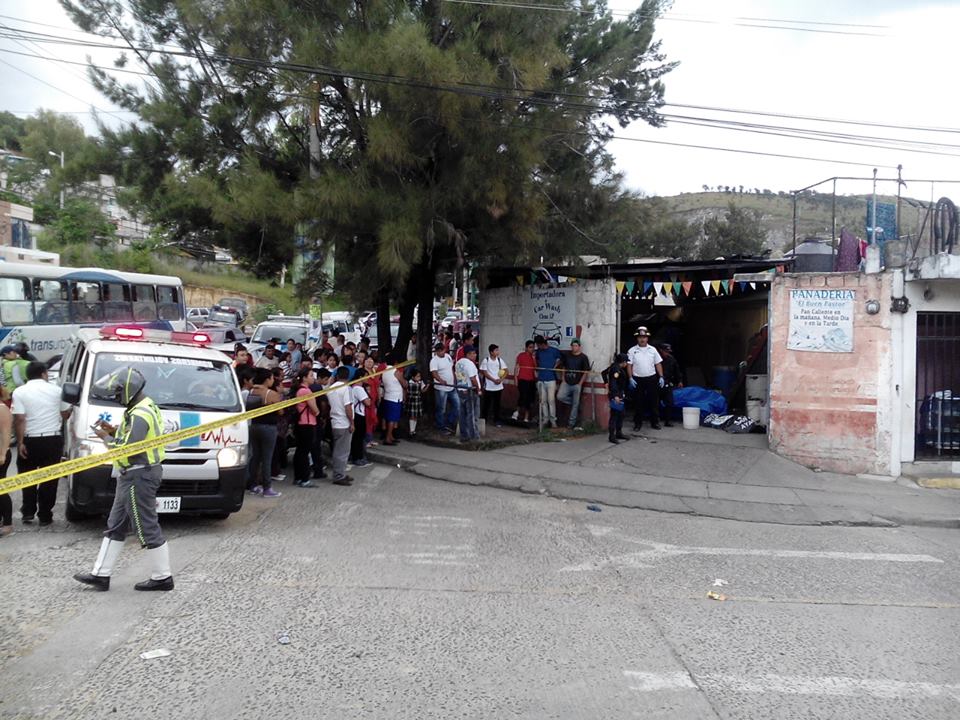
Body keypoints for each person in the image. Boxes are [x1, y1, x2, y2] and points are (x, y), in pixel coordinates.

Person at [73, 367, 174, 591]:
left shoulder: (139, 413)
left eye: (118, 394)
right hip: (133, 474)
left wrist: (105, 436)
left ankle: (163, 577)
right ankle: (101, 574)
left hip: (139, 474)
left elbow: (127, 449)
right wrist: (114, 430)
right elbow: (134, 435)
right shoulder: (144, 406)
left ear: (129, 390)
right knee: (116, 525)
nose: (117, 398)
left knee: (145, 525)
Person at [12, 362, 72, 526]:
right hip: (52, 439)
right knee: (50, 479)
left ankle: (28, 511)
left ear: (27, 375)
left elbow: (19, 419)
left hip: (30, 439)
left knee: (27, 476)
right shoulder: (57, 391)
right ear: (44, 374)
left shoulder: (20, 392)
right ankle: (45, 515)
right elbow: (65, 414)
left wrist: (21, 442)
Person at [247, 367, 282, 496]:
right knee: (267, 458)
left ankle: (253, 485)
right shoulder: (270, 394)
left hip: (254, 425)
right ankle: (267, 487)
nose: (273, 380)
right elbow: (280, 411)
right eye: (272, 378)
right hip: (268, 427)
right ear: (267, 379)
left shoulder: (251, 391)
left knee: (255, 457)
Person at [628, 326, 664, 431]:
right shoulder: (632, 350)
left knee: (654, 401)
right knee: (638, 402)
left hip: (651, 379)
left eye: (644, 337)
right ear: (637, 338)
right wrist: (630, 378)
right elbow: (629, 365)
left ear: (647, 338)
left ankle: (655, 422)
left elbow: (658, 364)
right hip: (637, 379)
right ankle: (637, 424)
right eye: (640, 337)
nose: (642, 339)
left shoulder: (652, 350)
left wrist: (661, 376)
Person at [291, 367, 320, 488]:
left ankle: (298, 477)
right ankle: (304, 478)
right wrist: (318, 412)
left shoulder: (298, 390)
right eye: (311, 376)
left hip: (300, 423)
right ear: (304, 378)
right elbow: (315, 410)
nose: (313, 378)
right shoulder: (306, 391)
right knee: (304, 451)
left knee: (300, 451)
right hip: (307, 423)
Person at [327, 367, 355, 486]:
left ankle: (340, 472)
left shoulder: (331, 388)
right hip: (343, 422)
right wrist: (352, 422)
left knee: (339, 449)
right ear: (348, 376)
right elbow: (348, 407)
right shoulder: (346, 389)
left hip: (335, 421)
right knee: (342, 451)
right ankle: (338, 475)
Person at [557, 339, 590, 429]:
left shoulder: (583, 357)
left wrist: (580, 383)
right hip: (566, 382)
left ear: (579, 347)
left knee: (575, 406)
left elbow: (586, 371)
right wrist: (563, 379)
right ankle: (572, 401)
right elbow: (563, 367)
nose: (574, 347)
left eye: (576, 346)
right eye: (572, 345)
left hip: (577, 384)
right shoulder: (567, 355)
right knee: (560, 397)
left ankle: (571, 424)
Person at [430, 343, 459, 434]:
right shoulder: (434, 361)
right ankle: (441, 426)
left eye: (444, 350)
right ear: (438, 351)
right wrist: (441, 380)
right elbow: (434, 373)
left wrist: (454, 379)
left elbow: (451, 369)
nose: (444, 352)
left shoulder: (447, 357)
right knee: (441, 408)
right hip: (441, 388)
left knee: (457, 405)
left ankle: (449, 422)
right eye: (442, 351)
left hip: (451, 386)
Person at [534, 335, 562, 429]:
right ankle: (545, 419)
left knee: (551, 400)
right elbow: (536, 361)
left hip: (551, 379)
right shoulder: (538, 352)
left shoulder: (554, 351)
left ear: (542, 344)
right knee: (543, 401)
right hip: (541, 379)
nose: (538, 347)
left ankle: (553, 420)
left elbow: (559, 359)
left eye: (538, 345)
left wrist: (556, 365)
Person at [455, 346, 482, 441]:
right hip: (470, 390)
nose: (475, 355)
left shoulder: (458, 363)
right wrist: (478, 389)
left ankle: (464, 435)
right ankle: (473, 436)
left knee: (462, 414)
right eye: (473, 353)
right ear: (468, 354)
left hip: (461, 389)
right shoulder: (470, 364)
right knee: (472, 414)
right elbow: (473, 378)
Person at [479, 344, 506, 426]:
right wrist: (493, 379)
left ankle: (496, 420)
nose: (498, 352)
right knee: (486, 404)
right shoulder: (486, 360)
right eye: (496, 350)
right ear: (491, 352)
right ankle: (484, 419)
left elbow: (506, 370)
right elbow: (484, 372)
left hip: (498, 386)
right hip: (489, 386)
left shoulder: (499, 360)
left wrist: (501, 379)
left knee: (497, 404)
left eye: (498, 350)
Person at [658, 343, 684, 427]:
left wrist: (679, 380)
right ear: (661, 351)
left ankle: (667, 421)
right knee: (655, 402)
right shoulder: (656, 358)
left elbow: (677, 370)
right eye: (665, 351)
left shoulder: (671, 359)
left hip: (668, 383)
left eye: (668, 352)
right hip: (656, 383)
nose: (667, 353)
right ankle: (655, 420)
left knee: (670, 402)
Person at [349, 370, 372, 467]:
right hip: (359, 415)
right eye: (366, 376)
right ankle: (357, 458)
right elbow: (367, 402)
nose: (367, 378)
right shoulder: (359, 388)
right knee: (358, 438)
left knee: (356, 438)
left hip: (356, 415)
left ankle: (356, 457)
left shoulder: (353, 387)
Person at [607, 354, 631, 444]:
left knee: (621, 414)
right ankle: (612, 436)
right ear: (623, 362)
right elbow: (613, 383)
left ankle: (619, 433)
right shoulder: (616, 369)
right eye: (626, 362)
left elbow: (603, 372)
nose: (626, 364)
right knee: (614, 415)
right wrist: (615, 395)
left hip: (620, 394)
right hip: (616, 394)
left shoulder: (617, 368)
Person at [380, 363, 406, 445]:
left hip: (388, 396)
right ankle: (388, 437)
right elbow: (404, 384)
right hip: (395, 398)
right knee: (392, 419)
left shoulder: (385, 371)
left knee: (389, 417)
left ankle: (390, 436)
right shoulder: (396, 372)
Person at [512, 340, 537, 426]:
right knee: (522, 397)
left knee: (529, 399)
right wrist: (515, 378)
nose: (532, 349)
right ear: (526, 348)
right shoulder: (521, 355)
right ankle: (516, 413)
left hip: (531, 380)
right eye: (530, 347)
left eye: (533, 347)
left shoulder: (534, 357)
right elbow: (517, 367)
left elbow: (536, 368)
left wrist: (533, 358)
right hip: (522, 379)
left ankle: (526, 417)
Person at [0, 401, 12, 537]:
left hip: (1, 454)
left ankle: (8, 523)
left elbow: (5, 432)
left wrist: (3, 453)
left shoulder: (2, 409)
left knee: (1, 489)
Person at [405, 368, 428, 439]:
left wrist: (427, 386)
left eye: (419, 376)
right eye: (417, 376)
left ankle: (413, 430)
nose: (419, 378)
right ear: (413, 377)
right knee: (412, 416)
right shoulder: (409, 382)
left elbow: (423, 391)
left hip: (417, 400)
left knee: (415, 416)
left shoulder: (420, 383)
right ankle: (411, 431)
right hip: (411, 401)